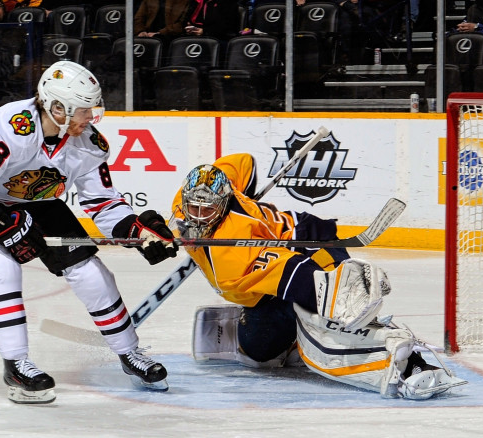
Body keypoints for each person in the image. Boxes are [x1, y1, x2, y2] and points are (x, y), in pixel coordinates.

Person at [0, 61, 179, 404]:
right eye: (85, 110)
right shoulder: (13, 126)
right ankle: (16, 364)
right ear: (57, 108)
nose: (91, 118)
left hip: (40, 202)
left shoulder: (89, 145)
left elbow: (101, 202)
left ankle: (130, 354)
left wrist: (136, 229)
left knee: (91, 271)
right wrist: (6, 225)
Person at [169, 156, 466, 400]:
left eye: (207, 209)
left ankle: (405, 359)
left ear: (223, 203)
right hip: (273, 265)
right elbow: (243, 162)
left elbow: (295, 273)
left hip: (308, 241)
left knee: (332, 311)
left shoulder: (233, 258)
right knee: (258, 355)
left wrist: (337, 292)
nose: (197, 216)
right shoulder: (185, 204)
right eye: (193, 207)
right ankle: (300, 335)